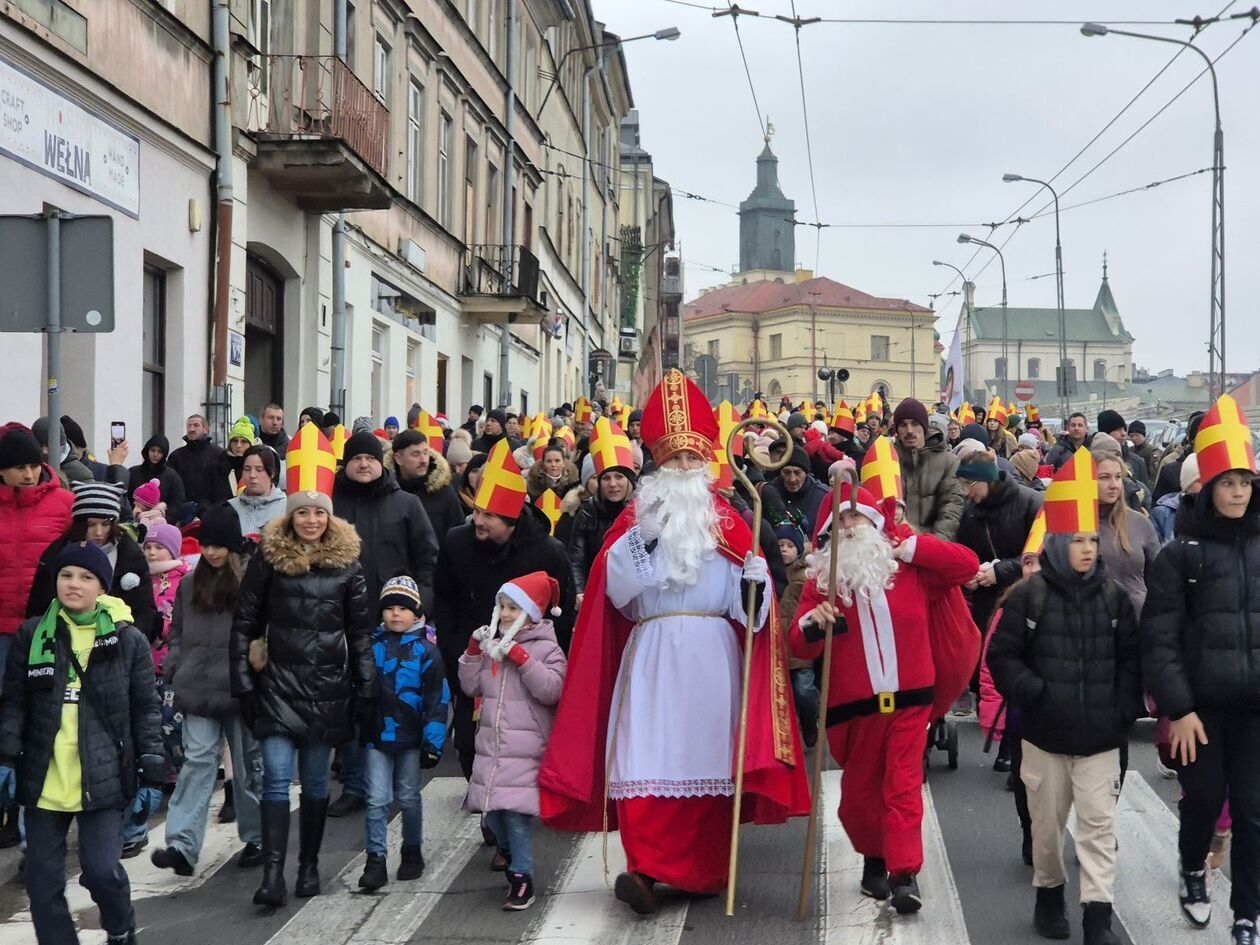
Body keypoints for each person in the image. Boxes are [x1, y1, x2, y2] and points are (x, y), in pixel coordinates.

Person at [538, 370, 809, 915]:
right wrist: (649, 534)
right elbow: (612, 590)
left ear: (706, 463)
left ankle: (701, 872)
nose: (684, 470)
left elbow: (748, 617)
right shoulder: (637, 526)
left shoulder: (731, 523)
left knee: (709, 755)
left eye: (692, 460)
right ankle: (644, 870)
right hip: (655, 653)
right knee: (648, 751)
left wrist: (755, 584)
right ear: (657, 467)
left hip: (714, 658)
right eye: (674, 461)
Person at [790, 478, 978, 914]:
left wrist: (911, 545)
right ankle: (873, 856)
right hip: (851, 711)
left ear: (876, 523)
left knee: (903, 788)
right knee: (858, 799)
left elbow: (965, 567)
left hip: (911, 701)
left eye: (858, 516)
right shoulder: (822, 581)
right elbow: (799, 646)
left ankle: (903, 874)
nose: (850, 524)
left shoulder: (908, 571)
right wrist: (813, 624)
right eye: (841, 518)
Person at [988, 450, 1141, 945]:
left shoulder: (1114, 600)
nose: (1087, 549)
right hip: (1044, 737)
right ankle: (1049, 895)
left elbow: (1131, 662)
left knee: (1098, 828)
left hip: (1098, 739)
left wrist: (1120, 711)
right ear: (1056, 543)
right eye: (1077, 540)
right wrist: (1037, 694)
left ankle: (1098, 915)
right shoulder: (1029, 598)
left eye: (1092, 540)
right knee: (1048, 831)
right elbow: (1003, 658)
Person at [230, 430, 374, 907]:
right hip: (276, 687)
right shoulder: (268, 559)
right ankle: (272, 875)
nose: (311, 520)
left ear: (328, 516)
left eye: (318, 512)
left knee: (314, 783)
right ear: (289, 515)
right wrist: (244, 682)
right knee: (274, 778)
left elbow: (360, 633)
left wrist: (366, 687)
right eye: (302, 512)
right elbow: (245, 622)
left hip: (327, 689)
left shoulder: (349, 566)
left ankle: (308, 865)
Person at [0, 540, 163, 945]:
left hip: (104, 775)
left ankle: (121, 927)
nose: (74, 584)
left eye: (86, 577)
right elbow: (15, 703)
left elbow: (145, 708)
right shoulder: (32, 634)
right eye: (66, 575)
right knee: (41, 880)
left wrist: (153, 770)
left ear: (102, 587)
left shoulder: (129, 641)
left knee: (101, 870)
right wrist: (5, 756)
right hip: (43, 774)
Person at [1142, 395, 1260, 941]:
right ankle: (1194, 870)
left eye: (1245, 481)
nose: (1238, 491)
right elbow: (1160, 641)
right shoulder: (1179, 555)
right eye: (1228, 482)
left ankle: (1247, 911)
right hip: (1201, 711)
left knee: (1255, 813)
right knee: (1207, 801)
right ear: (1208, 486)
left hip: (1255, 708)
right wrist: (1180, 708)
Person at [433, 441, 576, 780]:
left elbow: (563, 612)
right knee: (469, 746)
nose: (477, 521)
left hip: (530, 667)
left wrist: (553, 667)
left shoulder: (548, 551)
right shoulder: (457, 542)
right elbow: (445, 600)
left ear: (511, 521)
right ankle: (489, 813)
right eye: (477, 511)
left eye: (488, 516)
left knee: (525, 750)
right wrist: (455, 650)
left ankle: (511, 821)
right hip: (477, 662)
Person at [329, 430, 438, 817]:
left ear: (381, 463)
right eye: (356, 458)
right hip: (343, 617)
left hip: (395, 621)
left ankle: (394, 777)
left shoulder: (406, 504)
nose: (363, 464)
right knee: (350, 702)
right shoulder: (331, 502)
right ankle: (356, 783)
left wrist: (421, 604)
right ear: (347, 463)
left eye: (370, 458)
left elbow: (427, 557)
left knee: (393, 700)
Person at [152, 505, 263, 876]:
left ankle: (257, 836)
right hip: (197, 686)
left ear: (232, 546)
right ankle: (182, 845)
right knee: (197, 763)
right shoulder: (189, 583)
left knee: (247, 767)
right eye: (206, 545)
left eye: (218, 545)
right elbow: (178, 632)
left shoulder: (251, 581)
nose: (211, 552)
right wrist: (175, 666)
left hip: (240, 687)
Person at [459, 572, 567, 911]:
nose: (504, 614)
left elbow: (552, 689)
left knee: (516, 814)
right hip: (491, 744)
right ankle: (506, 852)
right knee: (492, 814)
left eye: (512, 608)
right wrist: (474, 650)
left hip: (526, 746)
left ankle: (522, 879)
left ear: (531, 612)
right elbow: (470, 686)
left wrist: (523, 659)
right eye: (501, 607)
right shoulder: (493, 645)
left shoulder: (547, 648)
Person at [0, 424, 75, 847]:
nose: (29, 474)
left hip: (48, 628)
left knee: (43, 719)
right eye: (18, 467)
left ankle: (38, 814)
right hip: (0, 629)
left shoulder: (63, 503)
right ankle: (8, 808)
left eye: (33, 464)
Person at [357, 575, 448, 892]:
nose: (396, 614)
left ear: (417, 613)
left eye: (403, 608)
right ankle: (376, 859)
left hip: (411, 738)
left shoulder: (426, 652)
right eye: (390, 608)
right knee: (377, 799)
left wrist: (433, 742)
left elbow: (437, 700)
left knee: (408, 797)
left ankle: (411, 852)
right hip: (376, 736)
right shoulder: (370, 646)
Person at [27, 482, 160, 651]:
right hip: (63, 646)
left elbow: (144, 609)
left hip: (117, 647)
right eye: (91, 525)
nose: (99, 532)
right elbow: (39, 606)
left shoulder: (130, 555)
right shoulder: (56, 554)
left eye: (105, 524)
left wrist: (131, 644)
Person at [954, 448, 1043, 669]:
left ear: (986, 478)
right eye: (961, 484)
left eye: (968, 483)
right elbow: (964, 549)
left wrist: (1000, 571)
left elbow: (1041, 554)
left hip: (1027, 597)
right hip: (986, 602)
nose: (965, 491)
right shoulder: (971, 512)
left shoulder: (1031, 503)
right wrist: (969, 572)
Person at [568, 419, 637, 607]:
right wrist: (580, 591)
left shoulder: (642, 512)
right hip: (596, 595)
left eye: (619, 477)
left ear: (630, 480)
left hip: (635, 598)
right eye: (606, 478)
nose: (613, 484)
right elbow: (576, 559)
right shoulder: (588, 512)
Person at [1093, 449, 1160, 615]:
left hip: (1138, 621)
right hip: (1095, 623)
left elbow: (1160, 578)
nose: (1114, 484)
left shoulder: (1140, 522)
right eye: (1104, 477)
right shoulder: (1076, 525)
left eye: (1117, 477)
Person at [893, 398, 964, 540]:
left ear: (924, 426)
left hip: (933, 544)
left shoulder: (948, 462)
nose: (909, 431)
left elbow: (951, 508)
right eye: (903, 425)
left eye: (915, 424)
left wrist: (934, 545)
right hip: (895, 542)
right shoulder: (888, 460)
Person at [776, 522, 816, 748]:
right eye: (780, 544)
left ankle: (810, 722)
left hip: (799, 646)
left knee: (804, 691)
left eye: (789, 545)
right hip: (777, 644)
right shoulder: (771, 573)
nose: (783, 549)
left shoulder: (804, 577)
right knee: (784, 696)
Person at [391, 429, 469, 542]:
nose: (423, 460)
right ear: (398, 458)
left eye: (425, 452)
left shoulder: (443, 491)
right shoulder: (388, 493)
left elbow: (458, 538)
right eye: (415, 454)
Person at [168, 415, 231, 514]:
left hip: (212, 513)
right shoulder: (176, 456)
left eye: (196, 425)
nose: (191, 429)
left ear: (205, 429)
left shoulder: (219, 454)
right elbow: (171, 487)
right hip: (184, 513)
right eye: (189, 426)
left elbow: (224, 488)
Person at [228, 445, 287, 538]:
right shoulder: (229, 508)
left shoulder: (287, 508)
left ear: (271, 473)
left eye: (259, 470)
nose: (252, 475)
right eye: (247, 469)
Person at [771, 446, 829, 536]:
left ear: (806, 472)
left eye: (797, 473)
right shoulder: (770, 492)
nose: (792, 479)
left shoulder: (823, 496)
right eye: (786, 472)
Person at [125, 434, 186, 513]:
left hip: (160, 521)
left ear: (164, 454)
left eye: (160, 452)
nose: (155, 454)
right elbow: (125, 498)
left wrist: (166, 518)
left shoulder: (171, 476)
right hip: (135, 518)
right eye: (153, 450)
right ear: (147, 451)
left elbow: (177, 502)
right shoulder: (133, 472)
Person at [1151, 453, 1200, 545]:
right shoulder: (1162, 515)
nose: (1206, 485)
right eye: (1199, 481)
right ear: (1187, 484)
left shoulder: (1218, 512)